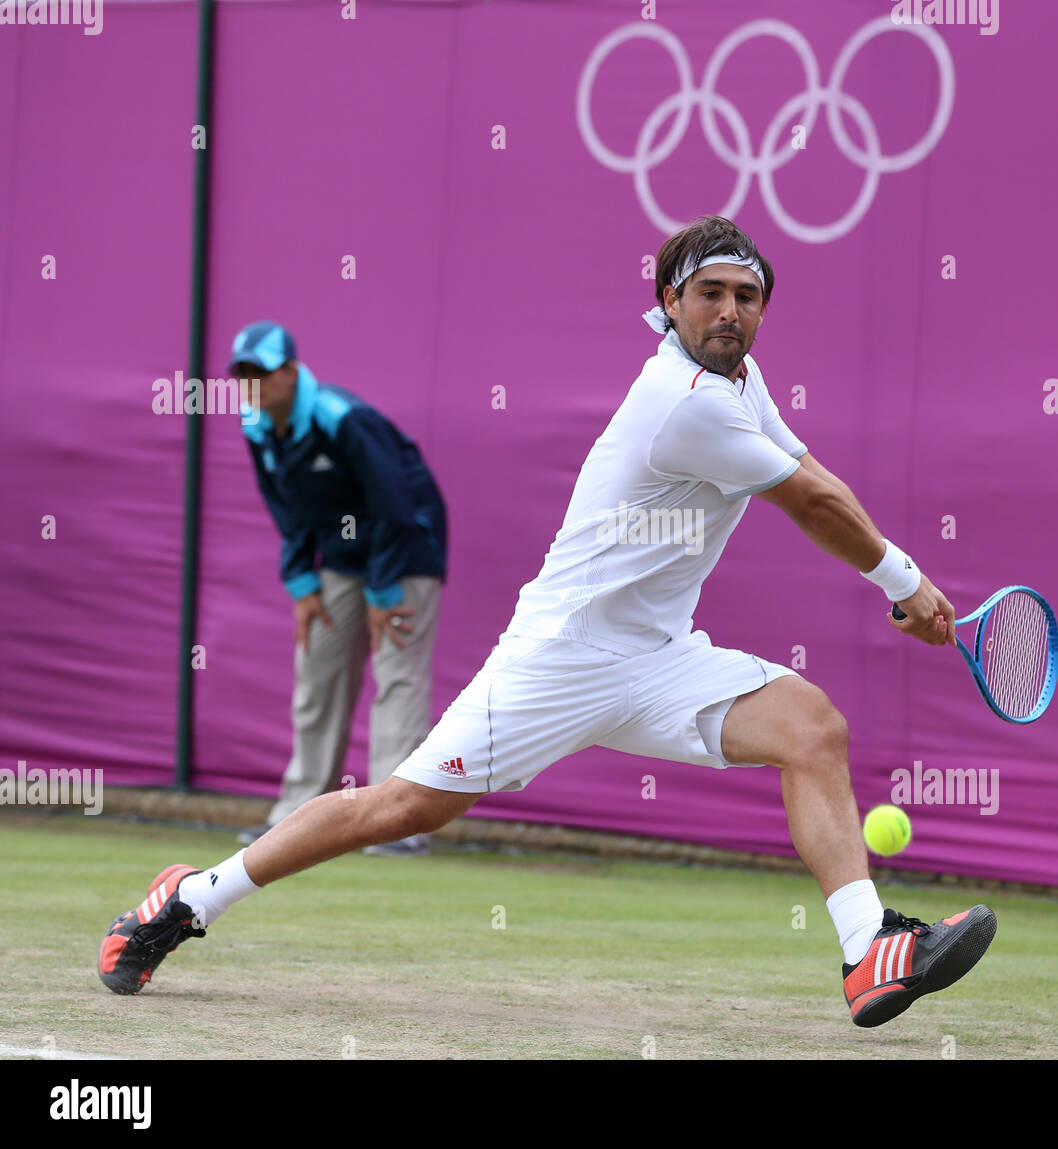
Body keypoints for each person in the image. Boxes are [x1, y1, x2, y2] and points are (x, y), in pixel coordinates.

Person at [99, 220, 995, 1028]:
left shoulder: (743, 379)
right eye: (711, 293)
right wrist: (902, 579)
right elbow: (808, 499)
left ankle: (867, 947)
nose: (730, 311)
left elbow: (809, 469)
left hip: (656, 658)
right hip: (559, 658)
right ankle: (189, 899)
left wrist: (903, 579)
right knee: (401, 805)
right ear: (669, 302)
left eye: (747, 296)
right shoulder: (682, 403)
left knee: (811, 726)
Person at [228, 321, 447, 856]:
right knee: (317, 674)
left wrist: (382, 593)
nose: (251, 384)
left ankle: (398, 825)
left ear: (291, 372)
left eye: (261, 372)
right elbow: (288, 512)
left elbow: (393, 504)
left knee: (397, 677)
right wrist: (302, 583)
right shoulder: (257, 426)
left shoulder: (342, 417)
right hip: (342, 558)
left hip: (405, 550)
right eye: (242, 374)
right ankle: (298, 817)